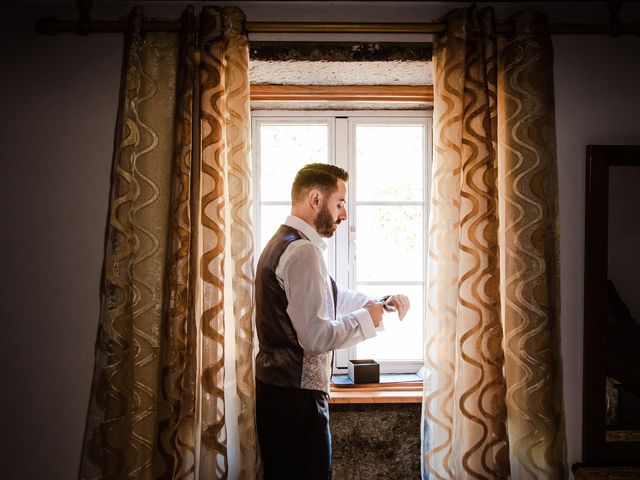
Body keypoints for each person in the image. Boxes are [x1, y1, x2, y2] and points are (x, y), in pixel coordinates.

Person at [254, 162, 410, 479]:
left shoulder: (283, 243)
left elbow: (329, 299)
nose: (344, 214)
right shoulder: (302, 252)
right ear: (315, 199)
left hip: (280, 396)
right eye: (339, 203)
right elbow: (315, 338)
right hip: (297, 402)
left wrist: (377, 303)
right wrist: (369, 319)